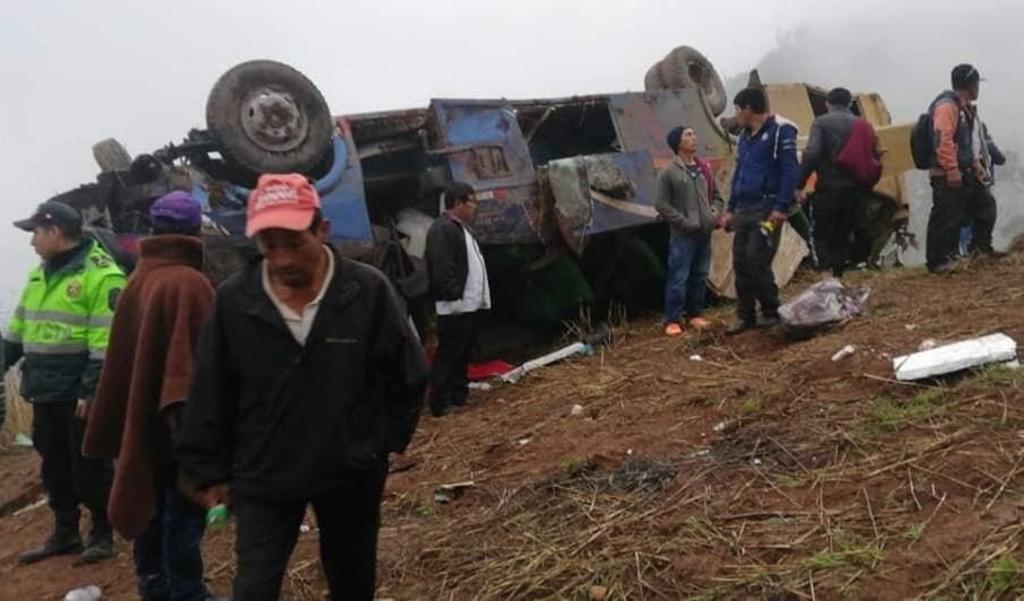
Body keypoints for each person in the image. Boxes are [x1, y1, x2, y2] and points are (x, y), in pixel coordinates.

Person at [176, 173, 428, 601]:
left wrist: (379, 443)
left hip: (348, 472)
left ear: (321, 230)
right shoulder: (236, 302)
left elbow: (408, 373)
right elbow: (211, 389)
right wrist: (206, 468)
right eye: (269, 245)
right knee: (254, 586)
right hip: (264, 473)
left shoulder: (364, 290)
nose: (282, 258)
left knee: (352, 580)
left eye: (294, 242)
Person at [83, 192, 219, 601]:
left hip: (143, 423)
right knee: (181, 514)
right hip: (176, 427)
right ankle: (187, 594)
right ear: (197, 231)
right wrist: (199, 445)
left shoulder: (139, 279)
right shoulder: (190, 282)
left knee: (150, 506)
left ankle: (153, 586)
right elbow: (191, 373)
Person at [3, 200, 125, 564]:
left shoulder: (102, 275)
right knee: (54, 464)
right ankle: (65, 532)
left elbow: (106, 344)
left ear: (55, 232)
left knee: (90, 465)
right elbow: (16, 333)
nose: (31, 242)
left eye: (35, 233)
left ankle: (102, 533)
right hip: (43, 389)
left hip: (78, 393)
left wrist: (91, 389)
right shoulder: (40, 274)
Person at [721, 87, 800, 335]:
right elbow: (739, 174)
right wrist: (730, 208)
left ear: (747, 109)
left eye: (737, 110)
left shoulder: (780, 130)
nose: (736, 116)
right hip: (744, 207)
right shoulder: (745, 138)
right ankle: (745, 316)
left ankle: (770, 310)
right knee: (741, 262)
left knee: (757, 258)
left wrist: (781, 206)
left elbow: (790, 170)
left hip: (767, 206)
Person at [424, 181, 491, 416]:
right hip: (455, 306)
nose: (474, 207)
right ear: (458, 203)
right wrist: (453, 298)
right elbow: (443, 268)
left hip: (467, 304)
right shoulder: (442, 229)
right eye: (471, 202)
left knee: (462, 353)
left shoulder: (458, 228)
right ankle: (440, 403)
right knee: (449, 355)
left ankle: (459, 395)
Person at [925, 64, 999, 273]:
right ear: (971, 85)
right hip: (947, 173)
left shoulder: (964, 107)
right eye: (977, 84)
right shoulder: (947, 106)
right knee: (946, 216)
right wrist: (951, 168)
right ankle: (938, 260)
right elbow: (942, 138)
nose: (978, 89)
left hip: (967, 171)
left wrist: (976, 165)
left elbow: (966, 143)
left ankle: (981, 249)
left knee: (985, 206)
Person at [798, 87, 873, 278]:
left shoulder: (821, 123)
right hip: (855, 191)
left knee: (818, 233)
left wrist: (799, 184)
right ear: (849, 104)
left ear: (827, 104)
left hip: (828, 188)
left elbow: (812, 153)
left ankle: (825, 277)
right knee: (841, 235)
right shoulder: (863, 125)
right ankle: (838, 278)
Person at [655, 125, 720, 336]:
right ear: (678, 143)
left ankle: (695, 314)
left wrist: (713, 213)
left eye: (693, 133)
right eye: (688, 135)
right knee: (679, 277)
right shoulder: (669, 172)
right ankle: (672, 319)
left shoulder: (704, 169)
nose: (694, 137)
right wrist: (682, 222)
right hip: (683, 235)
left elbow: (717, 196)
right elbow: (661, 204)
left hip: (704, 232)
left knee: (700, 275)